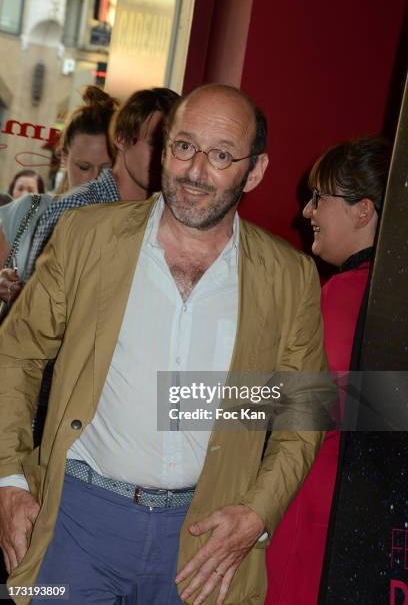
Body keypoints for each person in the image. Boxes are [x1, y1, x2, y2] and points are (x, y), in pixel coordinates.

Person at [0, 84, 332, 605]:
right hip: (76, 524)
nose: (196, 170)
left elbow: (304, 408)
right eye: (183, 146)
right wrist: (9, 476)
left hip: (203, 542)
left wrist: (258, 514)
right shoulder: (87, 237)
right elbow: (16, 351)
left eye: (221, 155)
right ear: (162, 151)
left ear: (256, 170)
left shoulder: (288, 277)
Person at [265, 135, 391, 605]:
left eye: (320, 197)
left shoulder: (346, 294)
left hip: (317, 522)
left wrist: (180, 401)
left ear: (363, 210)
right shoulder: (385, 297)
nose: (307, 212)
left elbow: (307, 408)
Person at [23, 86, 180, 280]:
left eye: (178, 147)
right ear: (121, 139)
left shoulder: (169, 215)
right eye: (155, 144)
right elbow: (39, 304)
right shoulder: (78, 208)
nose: (166, 158)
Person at [0, 85, 118, 309]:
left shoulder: (125, 227)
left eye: (106, 169)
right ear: (63, 157)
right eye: (83, 167)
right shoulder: (28, 209)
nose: (94, 179)